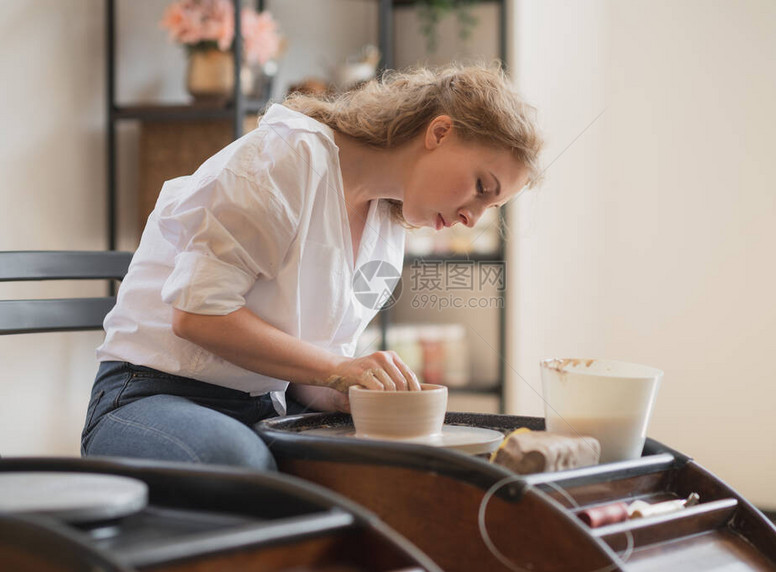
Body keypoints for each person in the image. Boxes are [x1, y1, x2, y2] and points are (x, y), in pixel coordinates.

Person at [80, 62, 543, 471]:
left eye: (491, 206)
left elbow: (311, 371)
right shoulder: (285, 160)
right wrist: (340, 368)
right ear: (439, 133)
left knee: (394, 470)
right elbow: (197, 314)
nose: (471, 217)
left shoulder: (387, 226)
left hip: (264, 407)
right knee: (246, 464)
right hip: (150, 395)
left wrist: (358, 390)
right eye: (482, 186)